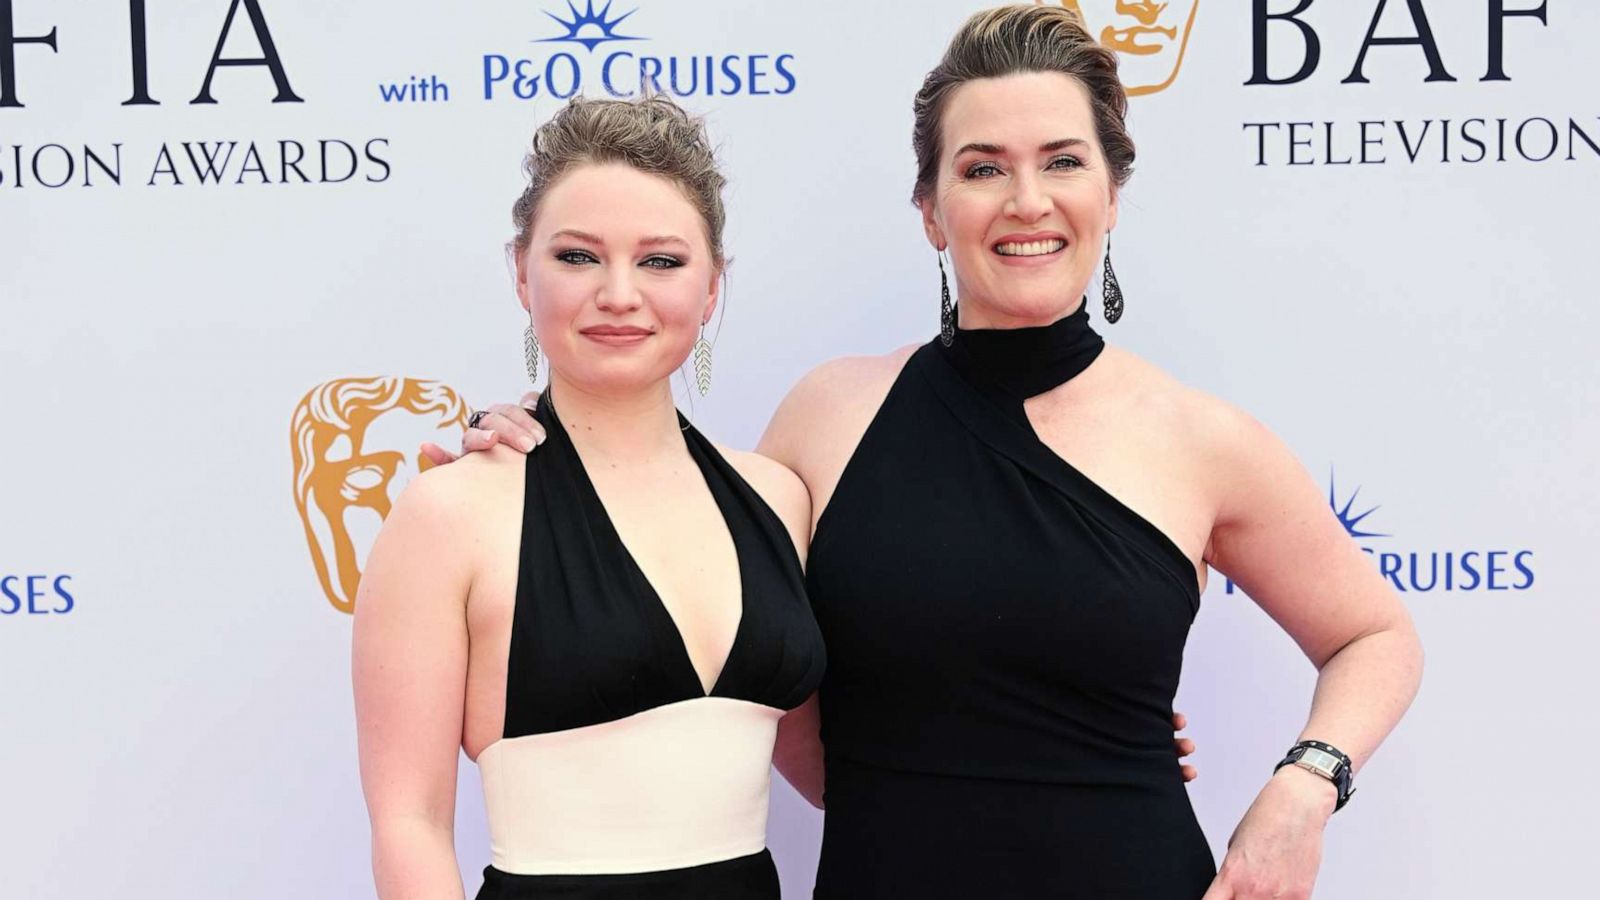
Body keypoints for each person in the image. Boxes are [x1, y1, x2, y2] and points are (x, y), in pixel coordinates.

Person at [436, 6, 1422, 899]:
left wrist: (1305, 785)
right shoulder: (826, 416)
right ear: (929, 209)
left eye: (1063, 161)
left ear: (1111, 195)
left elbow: (1374, 637)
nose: (1025, 199)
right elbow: (687, 564)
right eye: (982, 166)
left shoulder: (1203, 441)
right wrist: (533, 448)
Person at [353, 95, 828, 899]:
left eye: (661, 261)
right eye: (577, 257)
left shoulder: (778, 497)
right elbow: (410, 824)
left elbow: (832, 764)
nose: (618, 293)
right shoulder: (452, 512)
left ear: (712, 287)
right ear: (520, 270)